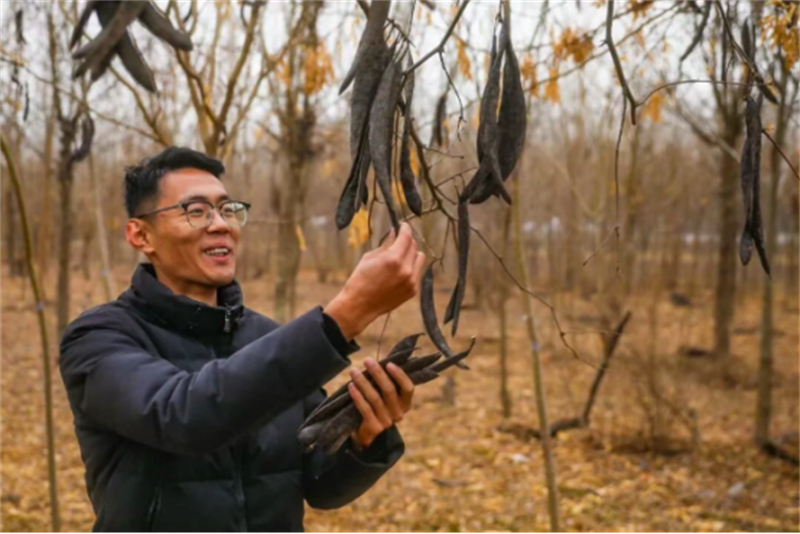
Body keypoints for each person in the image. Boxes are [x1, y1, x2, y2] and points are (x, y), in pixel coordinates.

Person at [59, 146, 427, 532]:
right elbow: (186, 417)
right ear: (141, 234)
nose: (221, 224)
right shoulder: (98, 338)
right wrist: (346, 316)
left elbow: (320, 487)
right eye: (195, 211)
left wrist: (365, 439)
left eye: (227, 209)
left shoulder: (270, 338)